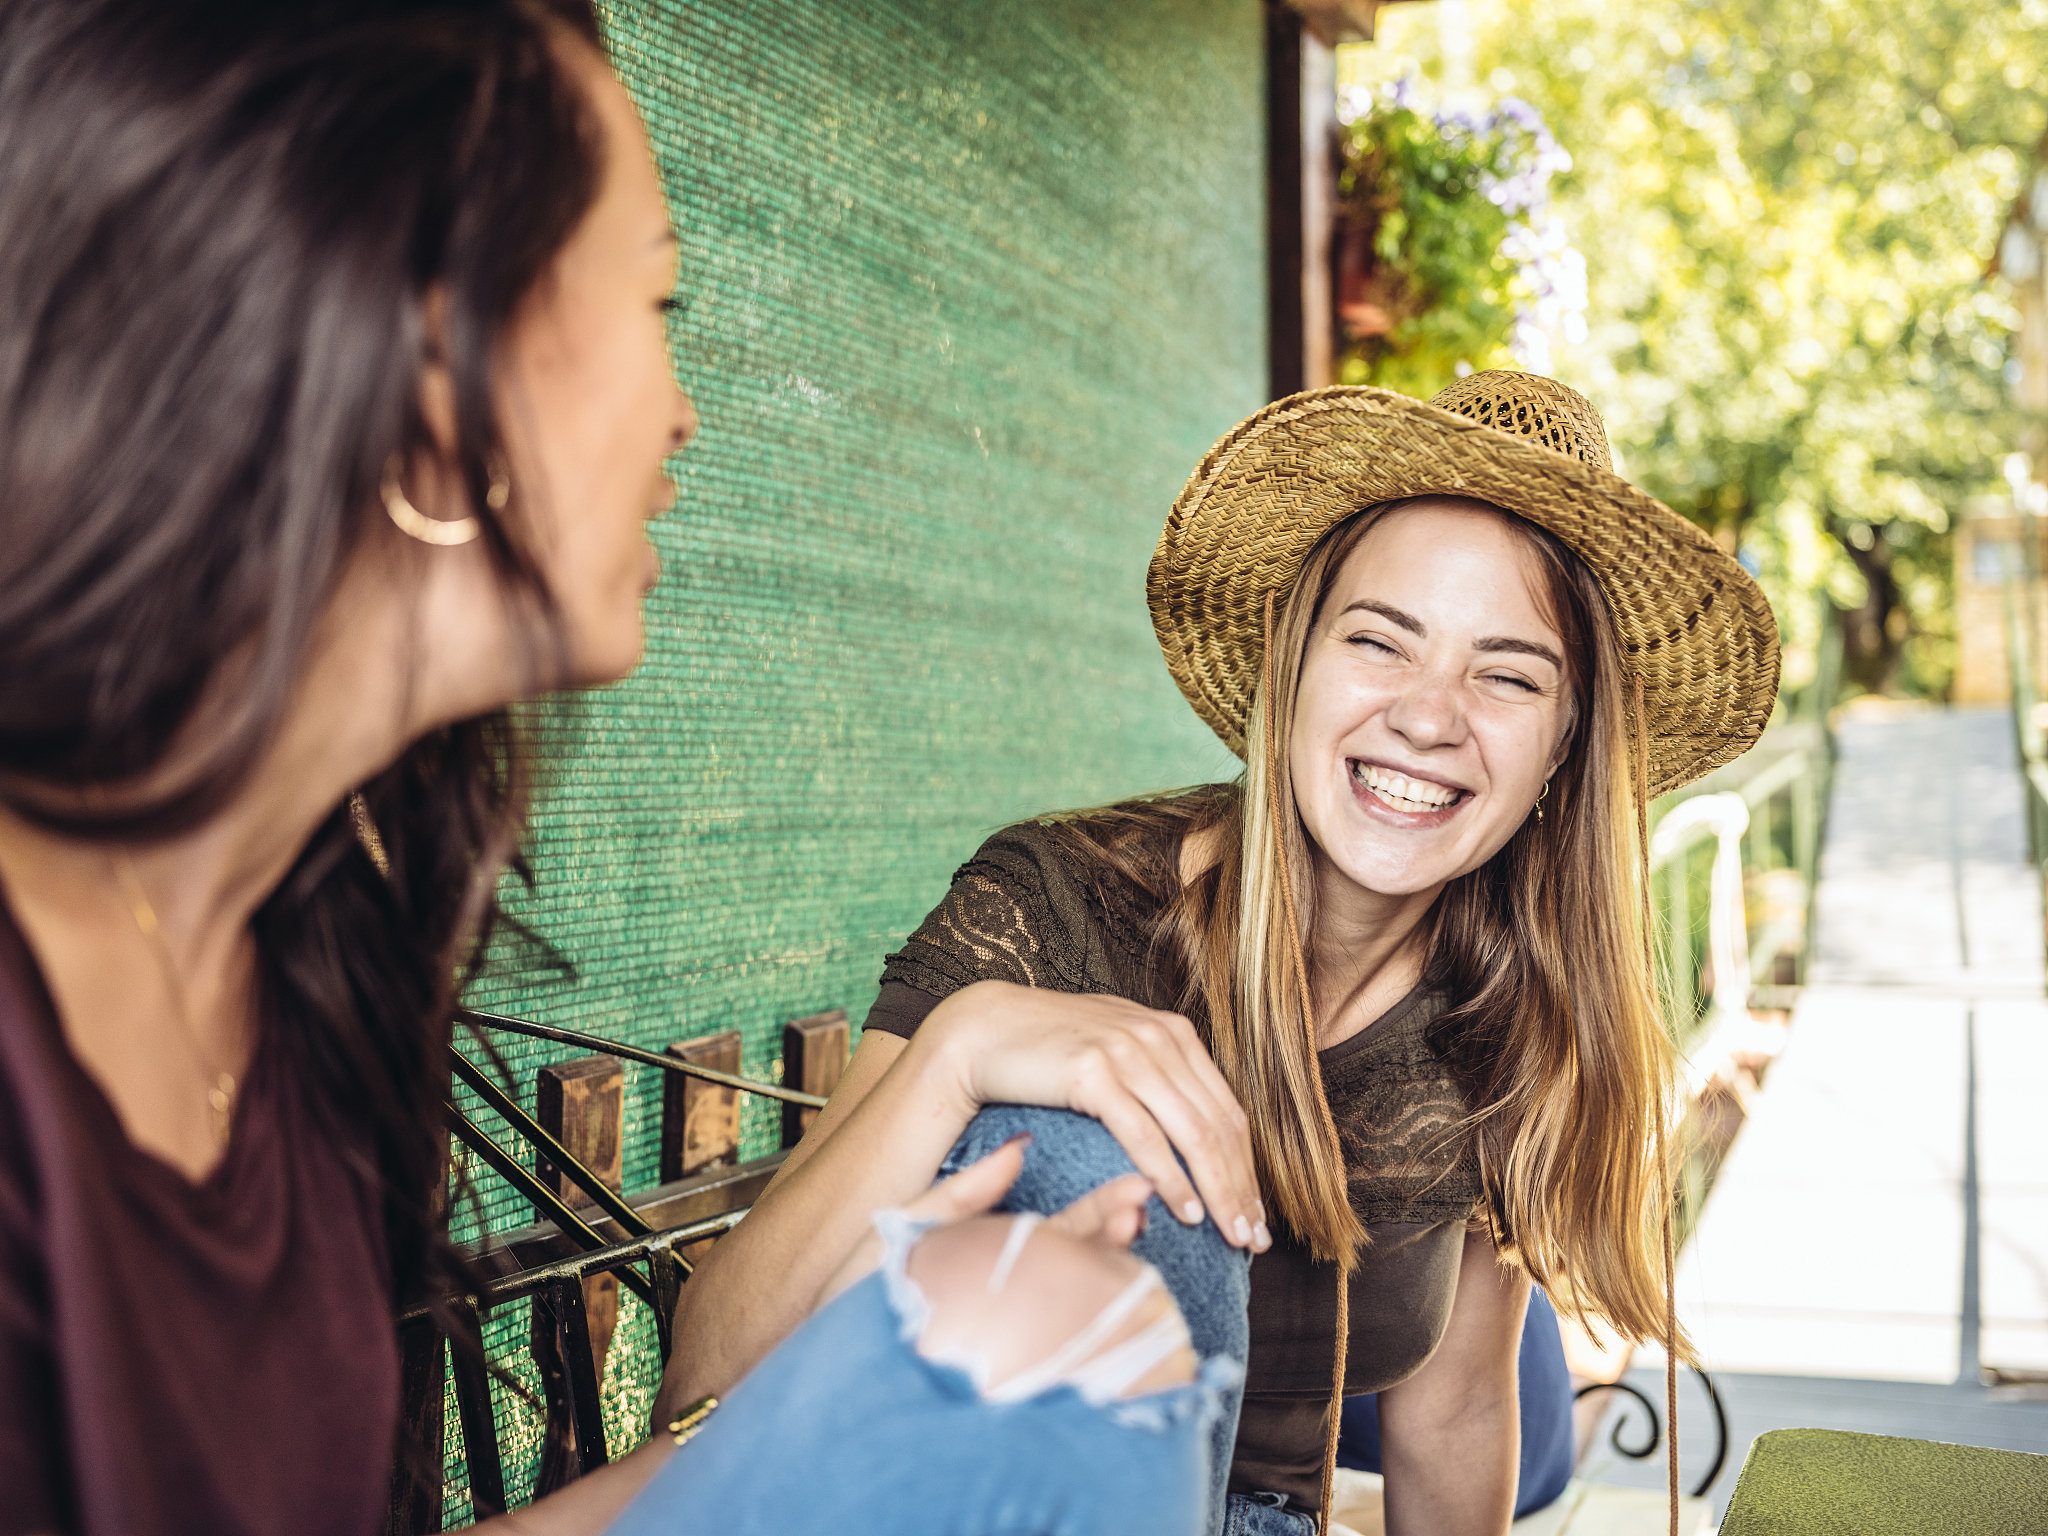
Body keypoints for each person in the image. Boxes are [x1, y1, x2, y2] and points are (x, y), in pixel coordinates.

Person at [0, 3, 1230, 1533]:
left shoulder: (293, 980)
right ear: (426, 345)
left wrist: (785, 1435)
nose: (685, 409)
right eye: (655, 304)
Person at [672, 372, 1781, 1535]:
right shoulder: (1048, 908)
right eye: (1378, 642)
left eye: (1506, 675)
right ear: (1287, 663)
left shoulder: (1508, 1021)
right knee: (1100, 1158)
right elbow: (707, 1376)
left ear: (1562, 747)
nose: (1427, 715)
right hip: (961, 1502)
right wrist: (965, 1045)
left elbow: (1453, 1416)